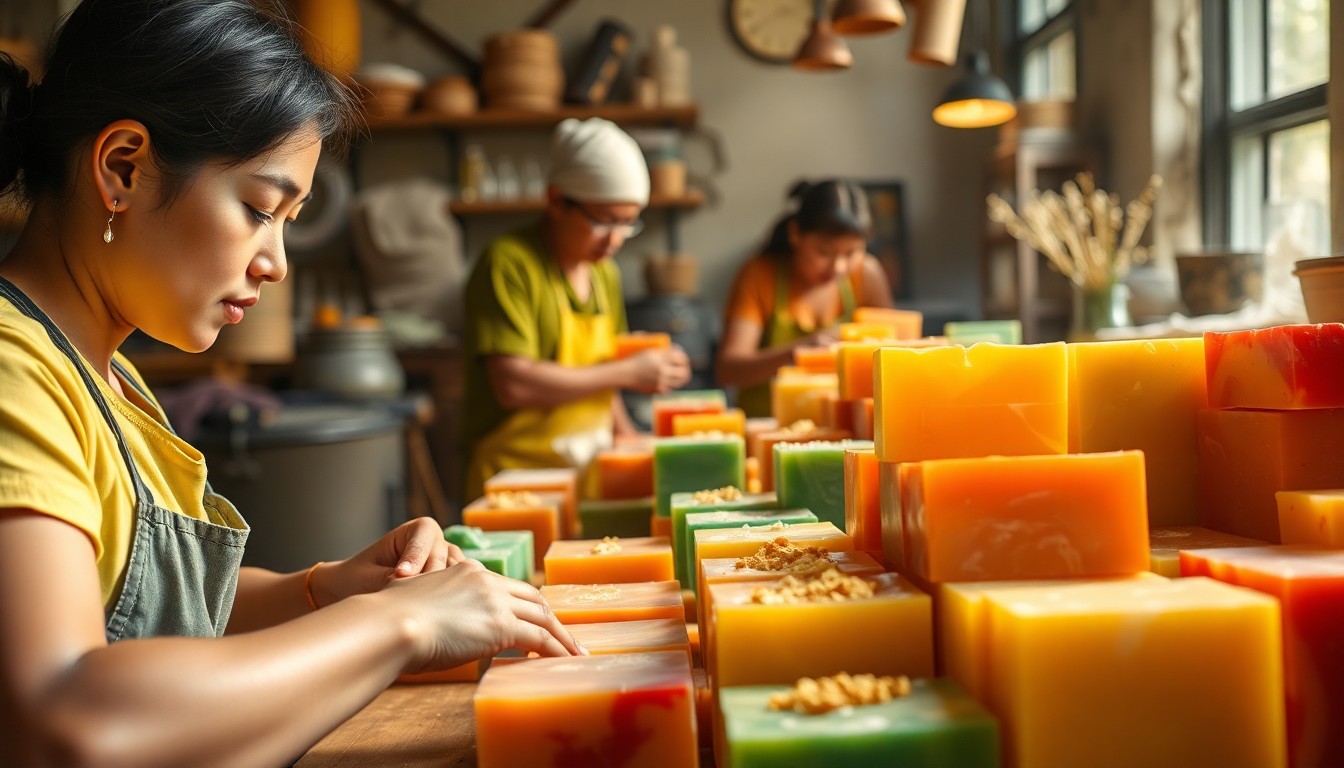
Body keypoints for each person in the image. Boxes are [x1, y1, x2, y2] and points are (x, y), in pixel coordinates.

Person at [0, 2, 580, 765]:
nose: (275, 262)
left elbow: (134, 608)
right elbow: (65, 714)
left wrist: (330, 589)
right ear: (123, 168)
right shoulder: (14, 373)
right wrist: (398, 625)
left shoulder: (110, 379)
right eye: (258, 209)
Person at [460, 118, 691, 501]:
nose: (615, 240)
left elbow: (605, 375)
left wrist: (626, 432)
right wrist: (630, 371)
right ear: (555, 200)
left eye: (628, 223)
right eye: (603, 220)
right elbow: (513, 384)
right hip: (513, 483)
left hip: (585, 475)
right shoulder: (509, 262)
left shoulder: (605, 275)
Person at [716, 179, 895, 417]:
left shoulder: (868, 274)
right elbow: (729, 370)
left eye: (852, 252)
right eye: (824, 252)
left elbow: (894, 355)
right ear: (795, 234)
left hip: (846, 425)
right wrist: (799, 350)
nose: (838, 267)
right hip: (768, 424)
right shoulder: (759, 276)